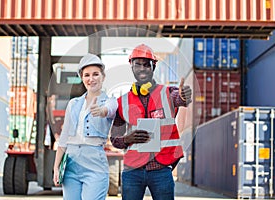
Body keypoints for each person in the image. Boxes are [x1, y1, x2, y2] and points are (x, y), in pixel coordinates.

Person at [110, 44, 192, 200]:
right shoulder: (122, 102)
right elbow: (115, 139)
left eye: (146, 64)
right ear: (131, 66)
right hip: (132, 171)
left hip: (161, 170)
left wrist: (184, 96)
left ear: (154, 66)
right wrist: (128, 139)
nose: (142, 68)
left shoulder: (168, 93)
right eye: (137, 64)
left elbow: (180, 98)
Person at [53, 53, 118, 200]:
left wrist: (101, 111)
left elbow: (110, 110)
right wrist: (56, 166)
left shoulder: (110, 101)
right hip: (71, 162)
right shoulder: (73, 104)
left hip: (94, 163)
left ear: (103, 76)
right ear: (82, 78)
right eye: (87, 75)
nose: (91, 79)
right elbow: (64, 139)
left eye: (96, 74)